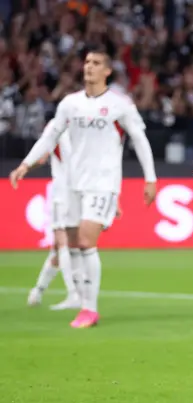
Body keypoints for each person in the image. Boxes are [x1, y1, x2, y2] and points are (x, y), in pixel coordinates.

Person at [10, 46, 157, 328]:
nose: (89, 66)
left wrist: (150, 178)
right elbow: (50, 136)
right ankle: (80, 299)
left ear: (107, 70)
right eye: (87, 62)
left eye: (96, 62)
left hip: (103, 182)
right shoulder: (70, 103)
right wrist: (25, 165)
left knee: (87, 242)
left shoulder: (119, 104)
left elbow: (139, 139)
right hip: (73, 184)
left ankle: (89, 309)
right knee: (75, 244)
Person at [26, 123, 81, 310]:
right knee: (58, 247)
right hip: (80, 193)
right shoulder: (84, 125)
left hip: (63, 193)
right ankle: (38, 290)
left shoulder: (57, 126)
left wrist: (24, 167)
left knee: (62, 240)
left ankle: (74, 294)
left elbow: (41, 158)